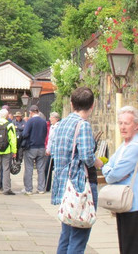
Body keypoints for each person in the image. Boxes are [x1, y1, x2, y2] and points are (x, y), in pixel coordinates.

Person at [50, 86, 103, 254]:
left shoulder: (61, 124)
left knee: (66, 236)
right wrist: (99, 162)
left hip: (65, 186)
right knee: (79, 238)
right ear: (92, 105)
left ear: (72, 104)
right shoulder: (83, 126)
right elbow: (87, 155)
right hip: (80, 187)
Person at [101, 105, 138, 254]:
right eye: (120, 123)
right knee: (124, 244)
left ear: (136, 125)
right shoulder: (124, 145)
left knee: (131, 247)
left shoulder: (134, 147)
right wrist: (110, 171)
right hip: (123, 202)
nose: (122, 127)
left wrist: (110, 172)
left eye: (126, 123)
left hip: (133, 203)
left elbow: (113, 175)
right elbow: (108, 166)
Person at [21, 105, 48, 195]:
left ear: (31, 112)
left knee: (29, 168)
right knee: (41, 169)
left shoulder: (30, 121)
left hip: (31, 147)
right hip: (41, 147)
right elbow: (45, 133)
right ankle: (41, 188)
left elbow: (25, 134)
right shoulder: (43, 122)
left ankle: (28, 189)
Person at [45, 111, 61, 192]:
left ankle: (55, 186)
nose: (50, 119)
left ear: (56, 119)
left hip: (55, 151)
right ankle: (47, 186)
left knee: (55, 169)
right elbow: (50, 140)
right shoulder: (52, 127)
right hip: (51, 151)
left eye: (51, 117)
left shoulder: (57, 127)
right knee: (47, 168)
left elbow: (53, 140)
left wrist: (49, 149)